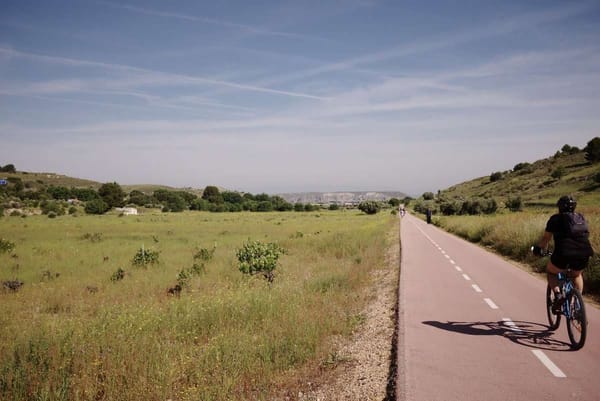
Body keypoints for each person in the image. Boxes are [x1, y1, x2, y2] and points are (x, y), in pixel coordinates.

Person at [533, 195, 594, 313]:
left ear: (559, 207)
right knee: (576, 275)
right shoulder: (581, 217)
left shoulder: (555, 219)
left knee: (551, 272)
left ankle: (558, 294)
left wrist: (538, 249)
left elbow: (546, 239)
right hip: (584, 252)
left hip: (563, 254)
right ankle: (576, 304)